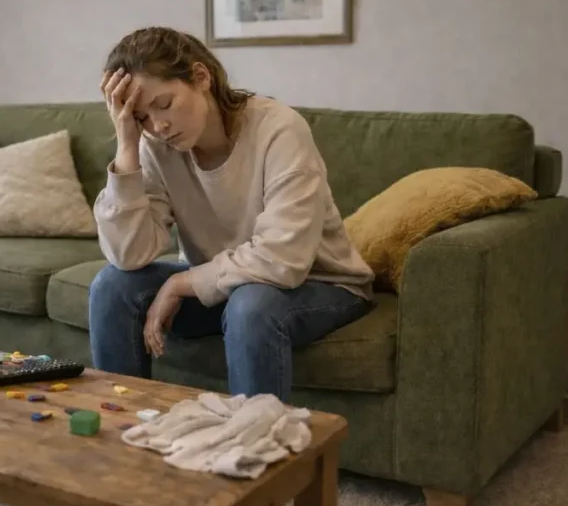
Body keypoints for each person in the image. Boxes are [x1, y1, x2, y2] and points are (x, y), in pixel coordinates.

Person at [88, 26, 375, 401]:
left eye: (164, 103)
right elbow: (128, 255)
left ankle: (254, 447)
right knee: (112, 286)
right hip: (228, 284)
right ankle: (123, 435)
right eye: (142, 117)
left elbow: (282, 260)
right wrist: (127, 147)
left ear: (201, 77)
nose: (158, 125)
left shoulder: (279, 130)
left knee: (251, 305)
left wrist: (180, 284)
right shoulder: (155, 146)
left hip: (319, 283)